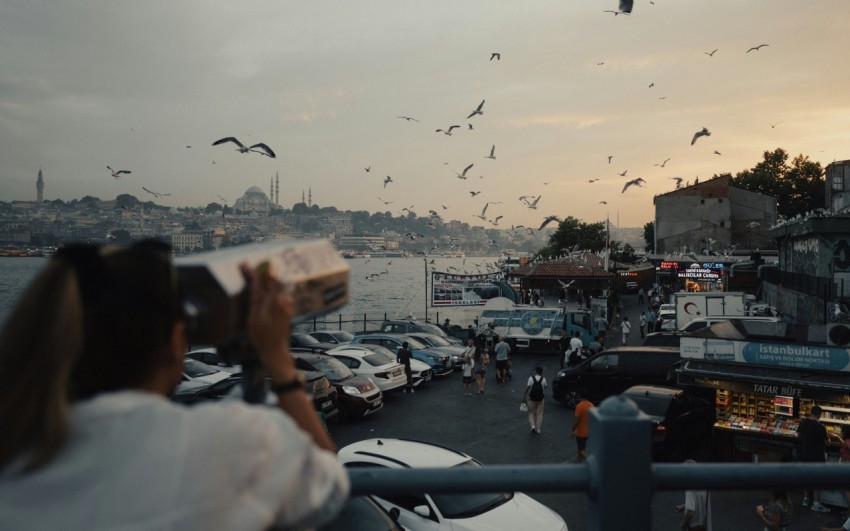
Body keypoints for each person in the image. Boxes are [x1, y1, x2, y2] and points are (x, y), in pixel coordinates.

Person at [0, 240, 348, 530]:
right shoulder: (230, 441)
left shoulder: (19, 446)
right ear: (175, 340)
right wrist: (277, 359)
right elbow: (328, 489)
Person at [798, 405, 831, 512]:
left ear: (811, 412)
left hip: (804, 454)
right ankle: (816, 503)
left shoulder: (803, 422)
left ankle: (805, 499)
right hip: (816, 456)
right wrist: (828, 436)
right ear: (820, 414)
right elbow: (827, 443)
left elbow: (798, 435)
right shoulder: (821, 427)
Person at [675, 460, 713, 531]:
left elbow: (690, 512)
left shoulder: (690, 487)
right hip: (704, 527)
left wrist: (683, 525)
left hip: (693, 528)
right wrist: (684, 506)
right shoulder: (704, 483)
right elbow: (699, 501)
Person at [522, 366, 547, 434]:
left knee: (531, 412)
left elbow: (527, 388)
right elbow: (545, 386)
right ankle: (538, 429)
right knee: (539, 413)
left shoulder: (531, 378)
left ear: (536, 371)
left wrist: (524, 397)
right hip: (540, 399)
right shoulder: (543, 379)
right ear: (542, 372)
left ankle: (532, 426)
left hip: (532, 399)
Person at [571, 388, 593, 463]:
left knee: (581, 450)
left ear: (580, 396)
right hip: (588, 431)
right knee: (580, 448)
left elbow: (576, 420)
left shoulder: (579, 406)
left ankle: (592, 463)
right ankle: (577, 463)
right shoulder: (591, 405)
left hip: (581, 432)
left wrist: (573, 430)